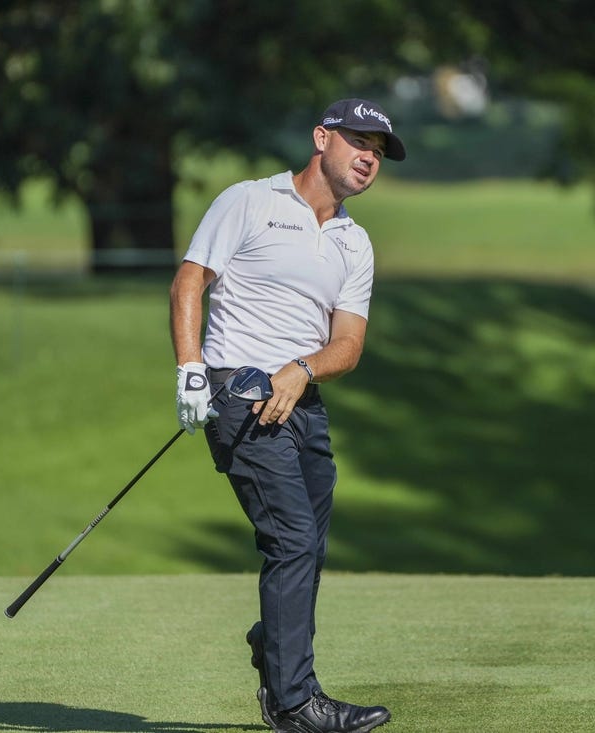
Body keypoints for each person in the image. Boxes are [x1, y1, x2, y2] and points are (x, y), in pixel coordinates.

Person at [169, 98, 405, 733]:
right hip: (240, 394)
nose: (369, 159)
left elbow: (348, 346)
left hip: (304, 400)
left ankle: (276, 645)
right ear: (321, 138)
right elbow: (190, 281)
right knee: (293, 540)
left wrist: (302, 370)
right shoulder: (250, 201)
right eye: (359, 143)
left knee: (311, 548)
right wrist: (191, 368)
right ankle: (297, 703)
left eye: (378, 154)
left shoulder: (356, 243)